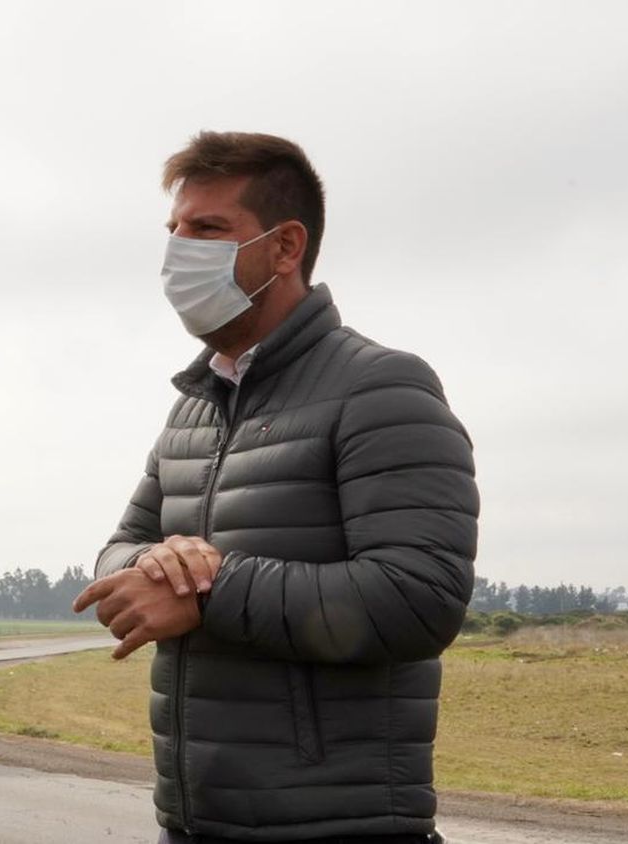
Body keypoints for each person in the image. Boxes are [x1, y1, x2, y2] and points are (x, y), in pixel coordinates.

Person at [75, 131, 477, 844]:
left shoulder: (383, 388)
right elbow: (118, 551)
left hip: (337, 827)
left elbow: (418, 599)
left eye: (207, 229)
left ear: (285, 248)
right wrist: (154, 568)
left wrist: (207, 589)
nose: (178, 253)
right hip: (195, 823)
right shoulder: (194, 406)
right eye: (173, 231)